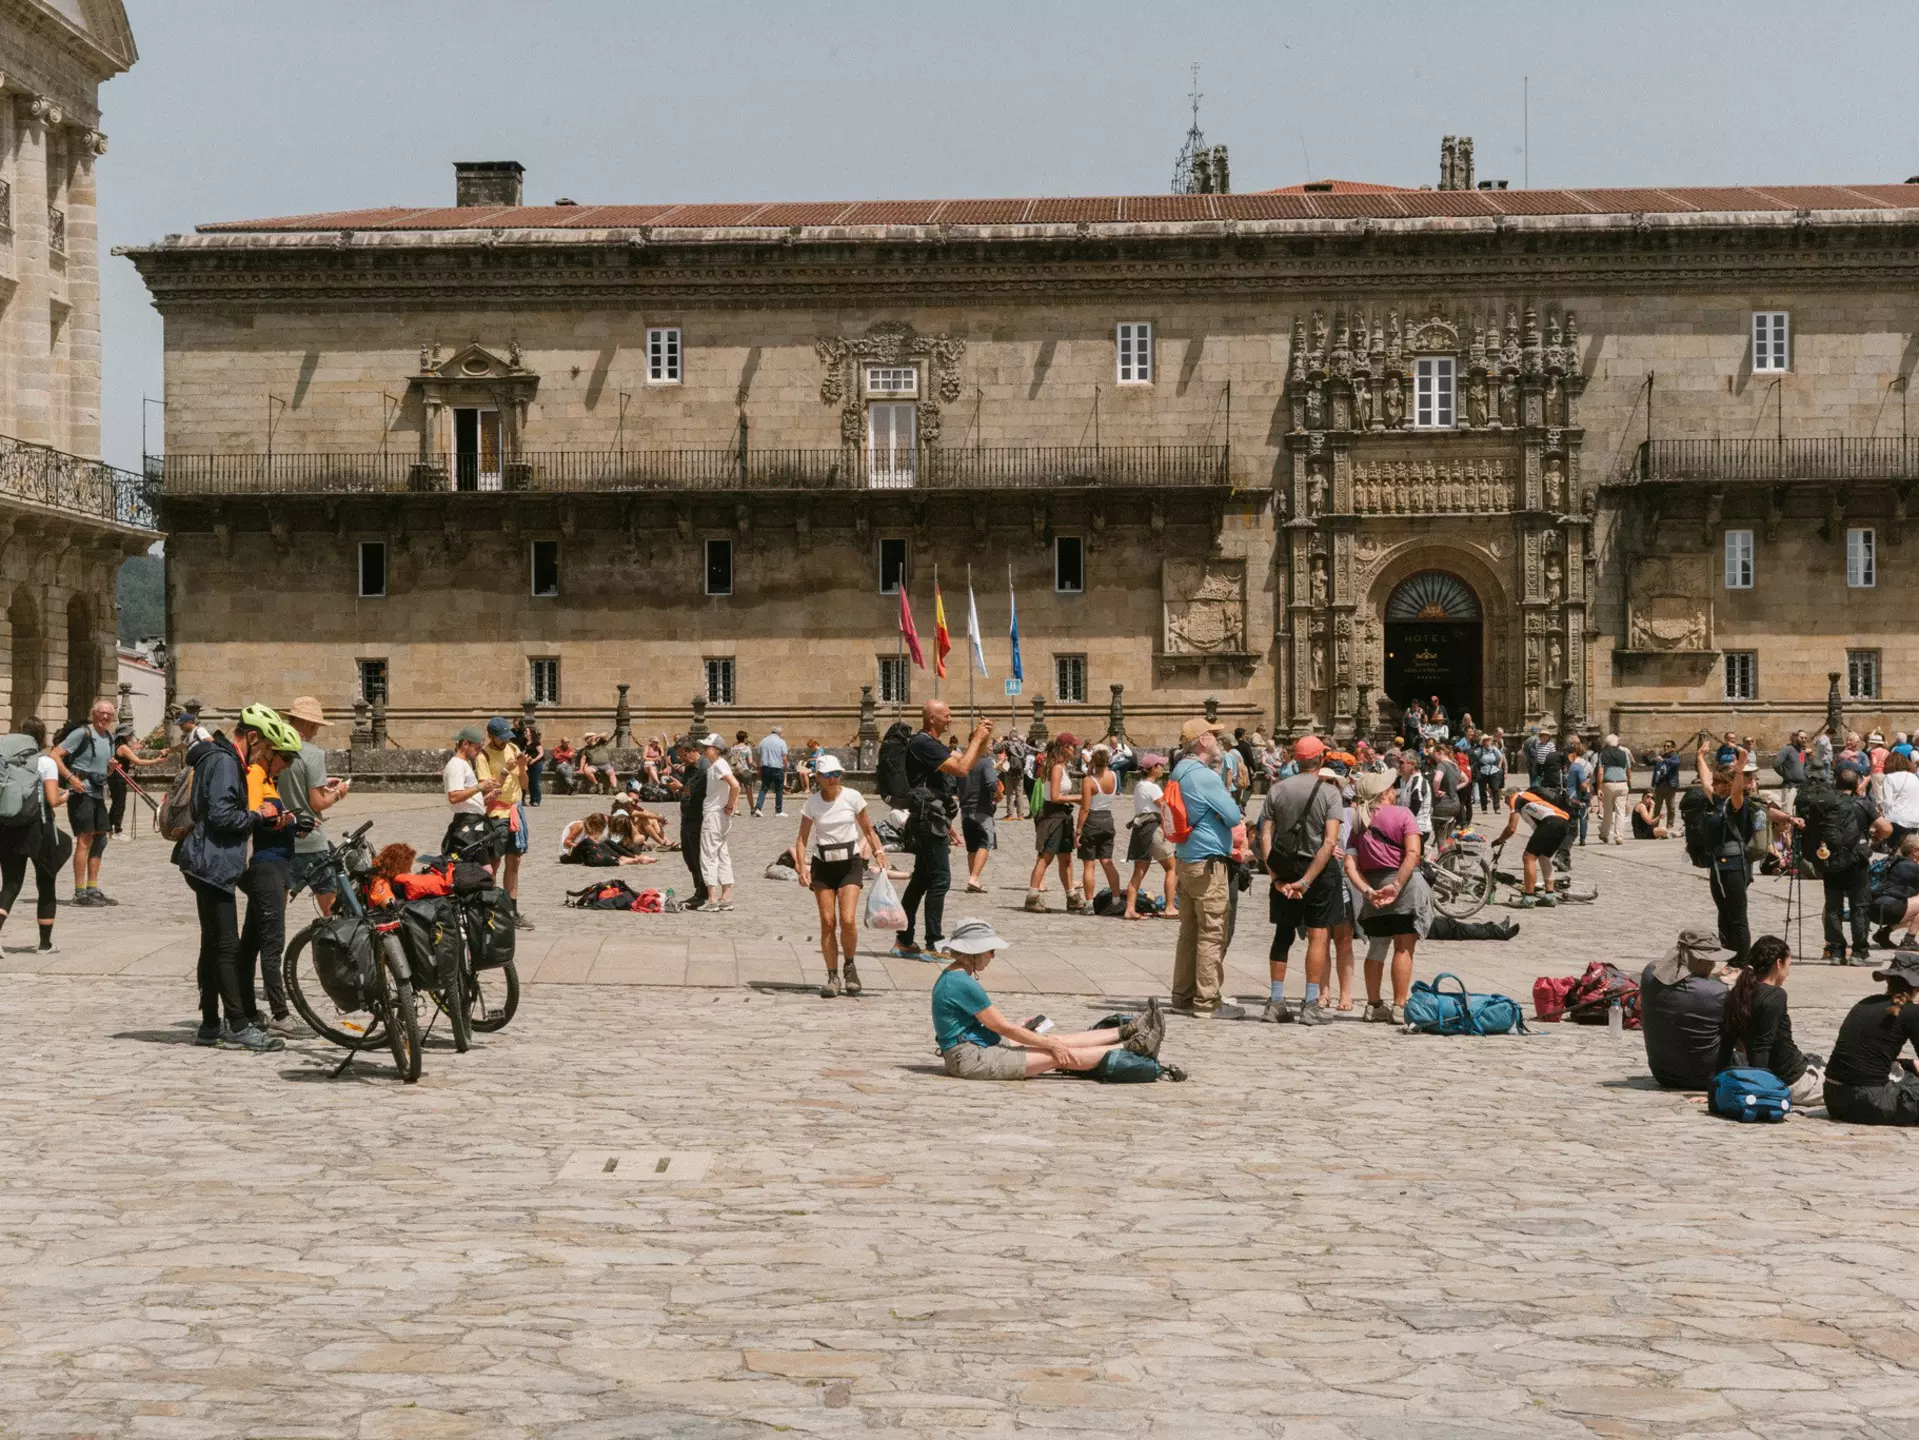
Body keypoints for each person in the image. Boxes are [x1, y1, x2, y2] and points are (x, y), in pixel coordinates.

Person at [932, 918, 1182, 1080]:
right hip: (970, 1058)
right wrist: (1048, 1044)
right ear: (974, 952)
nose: (993, 956)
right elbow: (1002, 1027)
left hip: (976, 1046)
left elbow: (994, 1025)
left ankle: (1128, 1030)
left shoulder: (955, 976)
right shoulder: (961, 982)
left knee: (1057, 1041)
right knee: (1058, 1054)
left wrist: (1036, 1036)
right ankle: (1130, 1047)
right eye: (990, 951)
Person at [174, 709, 289, 1053]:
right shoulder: (225, 762)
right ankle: (238, 1025)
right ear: (252, 738)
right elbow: (223, 815)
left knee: (212, 944)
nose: (264, 757)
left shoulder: (218, 758)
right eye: (266, 748)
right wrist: (259, 814)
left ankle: (210, 1025)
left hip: (206, 860)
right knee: (227, 946)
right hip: (212, 862)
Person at [893, 701, 993, 957]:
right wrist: (977, 739)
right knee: (939, 880)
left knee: (920, 881)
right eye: (946, 715)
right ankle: (934, 943)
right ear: (931, 719)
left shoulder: (932, 744)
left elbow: (967, 762)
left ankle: (904, 940)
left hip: (933, 818)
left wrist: (981, 741)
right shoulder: (923, 744)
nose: (950, 719)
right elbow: (960, 769)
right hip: (928, 821)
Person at [1259, 734, 1343, 1026]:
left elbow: (1265, 836)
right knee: (1318, 935)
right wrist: (1307, 881)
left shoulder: (1277, 790)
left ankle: (1276, 1001)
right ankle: (1310, 1003)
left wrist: (1276, 878)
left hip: (1284, 867)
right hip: (1318, 871)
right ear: (1320, 759)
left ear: (1295, 760)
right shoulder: (1330, 793)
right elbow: (1330, 843)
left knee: (1283, 933)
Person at [235, 705, 306, 1038]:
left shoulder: (267, 777)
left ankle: (247, 1010)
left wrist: (292, 822)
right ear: (271, 752)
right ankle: (279, 1012)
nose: (288, 765)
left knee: (251, 943)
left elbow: (270, 815)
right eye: (286, 758)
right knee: (272, 943)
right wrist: (278, 818)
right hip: (265, 868)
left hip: (275, 864)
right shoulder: (253, 775)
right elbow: (252, 816)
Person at [1168, 717, 1246, 1019]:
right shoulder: (1203, 776)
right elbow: (1231, 814)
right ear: (1201, 740)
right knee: (1212, 932)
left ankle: (1183, 995)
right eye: (1213, 735)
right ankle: (1207, 1001)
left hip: (1186, 859)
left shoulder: (1179, 770)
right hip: (1208, 864)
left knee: (1188, 933)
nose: (1218, 739)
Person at [795, 754, 885, 998]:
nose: (833, 779)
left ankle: (850, 966)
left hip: (850, 864)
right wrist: (801, 866)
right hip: (823, 866)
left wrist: (877, 851)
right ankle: (832, 975)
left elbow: (867, 827)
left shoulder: (853, 797)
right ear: (818, 778)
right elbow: (802, 838)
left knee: (847, 919)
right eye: (828, 775)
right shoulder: (812, 804)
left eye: (837, 774)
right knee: (827, 922)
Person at [1343, 769, 1429, 1024]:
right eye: (1391, 787)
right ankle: (1400, 1006)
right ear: (1384, 793)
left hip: (1374, 887)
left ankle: (1373, 1004)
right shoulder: (1404, 814)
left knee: (1377, 947)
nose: (1394, 790)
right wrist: (1397, 885)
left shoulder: (1360, 821)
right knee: (1403, 947)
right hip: (1403, 888)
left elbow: (1350, 865)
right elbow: (1413, 854)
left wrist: (1368, 891)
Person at [1719, 935, 1821, 1106]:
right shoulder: (1774, 995)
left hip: (1777, 1074)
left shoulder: (1737, 993)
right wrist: (1760, 1091)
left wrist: (1716, 1084)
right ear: (1778, 964)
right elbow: (1762, 1046)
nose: (1788, 972)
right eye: (1788, 965)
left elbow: (1726, 1041)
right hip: (1791, 1081)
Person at [1823, 952, 1919, 1124]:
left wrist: (1908, 1064)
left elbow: (1870, 1054)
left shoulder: (1866, 1002)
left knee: (1910, 1076)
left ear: (1888, 980)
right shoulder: (1912, 1012)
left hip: (1833, 1098)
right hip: (1867, 1101)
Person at [0, 717, 66, 955]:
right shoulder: (45, 762)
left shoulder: (7, 761)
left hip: (8, 828)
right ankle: (45, 944)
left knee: (10, 884)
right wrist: (65, 796)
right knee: (46, 884)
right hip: (40, 829)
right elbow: (52, 800)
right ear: (41, 738)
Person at [1806, 762, 1880, 963]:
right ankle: (1859, 951)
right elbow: (1886, 828)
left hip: (1830, 858)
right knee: (1859, 906)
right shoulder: (1862, 804)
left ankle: (1837, 951)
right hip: (1857, 860)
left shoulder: (1824, 802)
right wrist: (1874, 840)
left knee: (1832, 906)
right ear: (1857, 783)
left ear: (1835, 782)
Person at [282, 696, 348, 918]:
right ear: (310, 724)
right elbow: (317, 802)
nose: (317, 731)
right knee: (331, 909)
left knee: (275, 911)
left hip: (280, 837)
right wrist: (338, 793)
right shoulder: (312, 753)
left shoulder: (275, 749)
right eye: (317, 726)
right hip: (310, 841)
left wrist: (322, 783)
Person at [1639, 929, 1730, 1090]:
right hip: (1706, 1077)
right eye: (1710, 960)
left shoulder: (1649, 974)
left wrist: (1711, 977)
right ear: (1697, 959)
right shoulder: (1717, 992)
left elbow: (1676, 978)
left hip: (1663, 1075)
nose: (1714, 964)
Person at [51, 698, 118, 906]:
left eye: (109, 713)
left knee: (101, 839)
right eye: (101, 712)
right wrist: (71, 778)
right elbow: (55, 755)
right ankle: (79, 892)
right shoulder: (82, 733)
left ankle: (92, 888)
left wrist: (111, 769)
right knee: (84, 839)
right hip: (81, 793)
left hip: (98, 793)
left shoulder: (109, 738)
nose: (105, 716)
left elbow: (103, 768)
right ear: (93, 713)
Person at [475, 717, 534, 928]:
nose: (504, 741)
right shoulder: (483, 756)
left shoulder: (512, 747)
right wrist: (505, 770)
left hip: (515, 812)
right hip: (496, 814)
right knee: (493, 864)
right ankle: (490, 911)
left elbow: (524, 785)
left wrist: (523, 767)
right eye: (500, 738)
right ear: (490, 736)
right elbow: (489, 791)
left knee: (514, 863)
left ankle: (512, 911)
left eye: (506, 737)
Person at [1493, 767, 1572, 907]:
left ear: (1508, 796)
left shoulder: (1517, 797)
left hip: (1551, 822)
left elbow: (1511, 827)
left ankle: (1528, 898)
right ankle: (1549, 895)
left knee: (1528, 857)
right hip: (1564, 822)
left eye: (1505, 800)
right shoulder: (1529, 799)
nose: (1507, 804)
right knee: (1544, 857)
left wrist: (1500, 840)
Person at [1024, 735, 1079, 912]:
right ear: (1064, 747)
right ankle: (1032, 897)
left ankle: (1071, 896)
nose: (1075, 750)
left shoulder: (1061, 766)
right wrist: (1079, 798)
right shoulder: (1056, 768)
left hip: (1062, 816)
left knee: (1066, 858)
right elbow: (1055, 797)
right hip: (1053, 816)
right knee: (1045, 857)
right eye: (1073, 747)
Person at [1122, 753, 1176, 921]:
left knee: (1138, 872)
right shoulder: (1153, 788)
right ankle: (1170, 907)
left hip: (1140, 831)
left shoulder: (1139, 786)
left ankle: (1129, 909)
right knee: (1172, 868)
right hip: (1153, 829)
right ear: (1153, 768)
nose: (1163, 768)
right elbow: (1165, 808)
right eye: (1160, 765)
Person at [697, 732, 740, 911]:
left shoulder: (719, 766)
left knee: (708, 856)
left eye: (707, 748)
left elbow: (735, 785)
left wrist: (730, 805)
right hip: (720, 816)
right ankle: (726, 896)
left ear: (715, 749)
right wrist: (731, 806)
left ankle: (713, 898)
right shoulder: (719, 765)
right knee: (722, 854)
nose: (704, 751)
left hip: (714, 815)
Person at [1076, 746, 1122, 906]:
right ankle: (1116, 898)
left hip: (1092, 820)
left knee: (1089, 864)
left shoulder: (1089, 781)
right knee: (1107, 861)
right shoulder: (1114, 776)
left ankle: (1088, 903)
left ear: (1093, 760)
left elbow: (1085, 808)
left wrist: (1078, 830)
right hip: (1107, 818)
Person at [107, 724, 165, 835]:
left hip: (113, 777)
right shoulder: (123, 748)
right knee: (119, 804)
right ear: (126, 735)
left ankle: (109, 828)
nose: (132, 736)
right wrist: (156, 761)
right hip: (119, 777)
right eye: (131, 734)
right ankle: (116, 829)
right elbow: (138, 761)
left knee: (116, 803)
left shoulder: (115, 745)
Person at [960, 737, 999, 894]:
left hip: (965, 810)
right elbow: (991, 784)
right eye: (989, 744)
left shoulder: (963, 761)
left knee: (972, 847)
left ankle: (973, 878)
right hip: (982, 809)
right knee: (985, 843)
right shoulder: (985, 762)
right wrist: (998, 791)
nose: (991, 747)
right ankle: (974, 878)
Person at [1594, 733, 1634, 845]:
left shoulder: (1603, 754)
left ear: (1607, 743)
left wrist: (1598, 788)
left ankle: (1604, 834)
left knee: (1607, 811)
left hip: (1608, 784)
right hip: (1622, 784)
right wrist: (1628, 782)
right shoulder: (1624, 754)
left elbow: (1600, 772)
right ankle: (1619, 836)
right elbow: (1629, 772)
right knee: (1620, 812)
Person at [445, 726, 492, 818]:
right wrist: (481, 786)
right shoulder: (457, 765)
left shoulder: (463, 764)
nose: (479, 752)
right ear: (465, 744)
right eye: (477, 748)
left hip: (472, 817)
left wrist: (485, 799)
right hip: (466, 819)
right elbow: (454, 797)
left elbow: (467, 799)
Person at [753, 726, 790, 817]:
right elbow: (784, 757)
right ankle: (778, 811)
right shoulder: (781, 742)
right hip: (777, 768)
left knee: (764, 788)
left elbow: (758, 757)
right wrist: (785, 767)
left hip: (765, 768)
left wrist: (758, 768)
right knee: (779, 789)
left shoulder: (763, 741)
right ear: (779, 733)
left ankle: (758, 808)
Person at [513, 711, 546, 807]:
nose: (525, 733)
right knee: (529, 782)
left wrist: (534, 760)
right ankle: (531, 800)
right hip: (528, 764)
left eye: (526, 732)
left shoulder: (535, 742)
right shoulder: (525, 743)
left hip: (536, 765)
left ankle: (536, 799)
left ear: (531, 733)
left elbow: (541, 753)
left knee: (535, 782)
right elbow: (524, 752)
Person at [1649, 739, 1683, 831]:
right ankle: (1654, 826)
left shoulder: (1674, 757)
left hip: (1670, 786)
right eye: (1664, 746)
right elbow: (1649, 762)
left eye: (1668, 746)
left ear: (1673, 748)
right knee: (1657, 807)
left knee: (1671, 807)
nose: (1665, 748)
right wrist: (1646, 755)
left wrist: (1663, 760)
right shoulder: (1661, 757)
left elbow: (1676, 764)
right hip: (1659, 785)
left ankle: (1670, 825)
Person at [1475, 729, 1507, 811]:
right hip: (1482, 770)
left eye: (1488, 740)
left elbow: (1501, 757)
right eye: (1485, 740)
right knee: (1482, 790)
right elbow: (1473, 757)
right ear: (1483, 742)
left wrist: (1499, 766)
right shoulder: (1480, 750)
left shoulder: (1494, 749)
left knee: (1495, 789)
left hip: (1493, 770)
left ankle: (1497, 808)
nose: (1487, 742)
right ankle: (1484, 807)